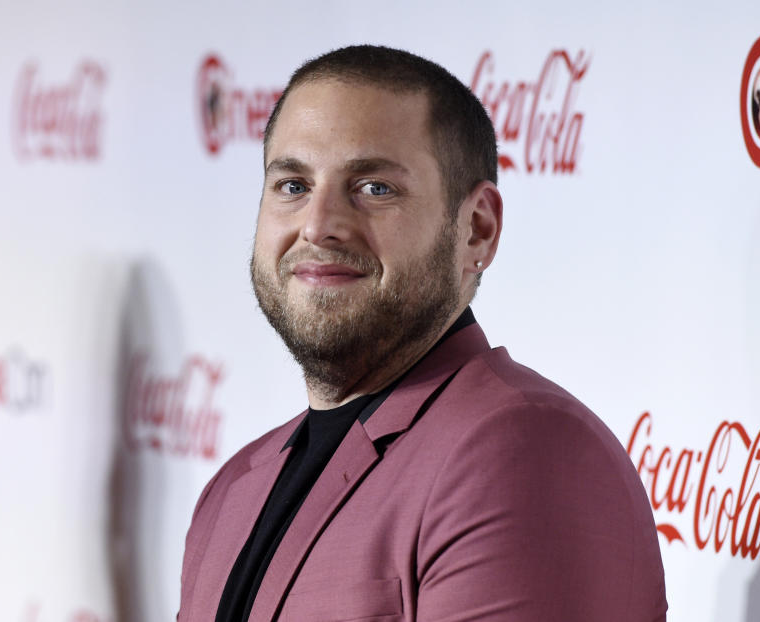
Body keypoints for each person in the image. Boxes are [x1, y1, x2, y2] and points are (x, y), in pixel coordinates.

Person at [178, 45, 667, 622]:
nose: (319, 225)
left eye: (374, 188)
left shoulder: (522, 453)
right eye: (292, 185)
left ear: (477, 230)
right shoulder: (233, 489)